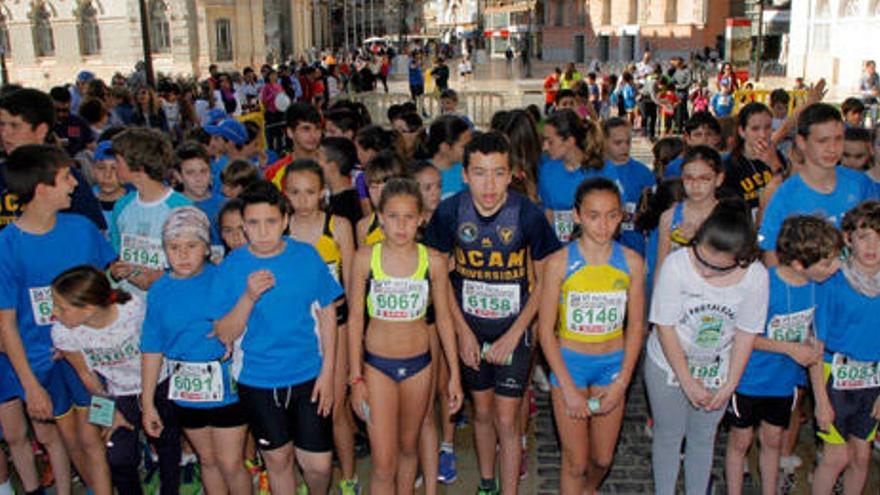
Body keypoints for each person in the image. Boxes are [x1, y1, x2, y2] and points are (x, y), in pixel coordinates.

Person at [423, 132, 561, 495]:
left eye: (498, 173)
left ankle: (509, 490)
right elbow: (439, 281)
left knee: (506, 417)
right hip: (470, 329)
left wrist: (516, 334)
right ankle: (487, 483)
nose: (489, 184)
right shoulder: (449, 212)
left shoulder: (528, 214)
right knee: (482, 412)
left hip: (514, 330)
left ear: (511, 173)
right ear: (465, 175)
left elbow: (547, 281)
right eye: (480, 173)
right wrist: (462, 333)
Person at [0, 145, 117, 495]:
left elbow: (103, 291)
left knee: (94, 433)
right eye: (66, 178)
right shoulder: (7, 245)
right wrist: (31, 386)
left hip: (89, 360)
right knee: (63, 438)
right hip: (39, 365)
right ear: (41, 189)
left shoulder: (82, 228)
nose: (74, 186)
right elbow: (5, 324)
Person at [211, 181, 341, 494]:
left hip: (309, 374)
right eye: (253, 223)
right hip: (257, 379)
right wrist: (248, 297)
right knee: (278, 460)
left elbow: (327, 314)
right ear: (243, 226)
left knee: (319, 465)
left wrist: (328, 373)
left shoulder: (306, 257)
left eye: (271, 222)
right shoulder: (231, 267)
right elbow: (224, 333)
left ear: (284, 221)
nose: (263, 231)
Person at [348, 178, 463, 494]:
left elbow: (443, 320)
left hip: (419, 367)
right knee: (384, 463)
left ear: (421, 218)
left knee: (409, 449)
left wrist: (454, 375)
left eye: (409, 217)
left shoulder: (434, 262)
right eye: (394, 216)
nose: (401, 225)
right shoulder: (364, 259)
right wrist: (355, 379)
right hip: (376, 367)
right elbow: (355, 320)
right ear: (380, 217)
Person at [646, 200, 768, 495]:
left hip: (719, 364)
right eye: (700, 260)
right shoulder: (677, 265)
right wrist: (687, 380)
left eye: (716, 267)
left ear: (740, 259)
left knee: (704, 438)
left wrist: (729, 385)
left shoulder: (756, 276)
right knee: (668, 436)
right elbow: (665, 326)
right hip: (668, 360)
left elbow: (745, 333)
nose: (704, 273)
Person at [537, 178, 646, 494]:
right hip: (570, 366)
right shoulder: (558, 264)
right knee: (576, 463)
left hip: (611, 366)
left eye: (612, 215)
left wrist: (622, 381)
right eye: (594, 215)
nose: (603, 224)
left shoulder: (632, 264)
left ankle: (589, 489)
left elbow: (636, 327)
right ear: (577, 216)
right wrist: (567, 388)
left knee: (602, 458)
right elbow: (545, 330)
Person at [724, 216, 842, 495]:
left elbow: (815, 345)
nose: (836, 267)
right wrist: (790, 348)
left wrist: (821, 402)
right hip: (747, 378)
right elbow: (742, 336)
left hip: (783, 382)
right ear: (800, 265)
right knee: (740, 442)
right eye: (827, 263)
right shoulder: (763, 286)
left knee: (774, 440)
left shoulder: (820, 289)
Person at [140, 207, 252, 494]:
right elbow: (152, 346)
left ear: (206, 247)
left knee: (230, 462)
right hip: (186, 391)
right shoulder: (159, 290)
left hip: (228, 387)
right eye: (173, 247)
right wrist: (148, 400)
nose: (182, 254)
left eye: (191, 246)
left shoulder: (223, 278)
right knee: (208, 460)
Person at [50, 265, 181, 494]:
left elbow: (154, 348)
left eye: (62, 308)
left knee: (167, 442)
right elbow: (86, 373)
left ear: (89, 308)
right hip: (116, 392)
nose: (54, 313)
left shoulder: (132, 308)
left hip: (157, 381)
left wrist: (147, 399)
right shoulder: (62, 332)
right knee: (118, 456)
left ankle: (170, 489)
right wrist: (110, 411)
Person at [282, 159, 359, 494]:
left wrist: (357, 326)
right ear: (284, 194)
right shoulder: (280, 229)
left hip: (337, 324)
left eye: (310, 192)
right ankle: (307, 476)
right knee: (300, 406)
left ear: (322, 193)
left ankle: (349, 478)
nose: (302, 200)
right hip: (297, 329)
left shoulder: (338, 226)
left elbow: (353, 284)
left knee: (336, 405)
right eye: (295, 192)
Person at [811, 200, 880, 495]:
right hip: (834, 375)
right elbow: (816, 343)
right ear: (849, 238)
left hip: (873, 380)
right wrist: (820, 400)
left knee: (862, 455)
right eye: (864, 236)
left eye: (879, 237)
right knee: (836, 456)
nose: (872, 247)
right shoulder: (833, 281)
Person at [759, 103, 877, 266]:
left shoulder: (860, 184)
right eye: (822, 141)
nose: (832, 148)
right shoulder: (784, 196)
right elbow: (772, 258)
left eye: (838, 139)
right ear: (801, 141)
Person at [0, 88, 106, 231]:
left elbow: (94, 231)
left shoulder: (67, 178)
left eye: (14, 126)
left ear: (41, 130)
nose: (5, 134)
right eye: (1, 125)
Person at [108, 128, 192, 299]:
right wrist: (115, 273)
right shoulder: (122, 206)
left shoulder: (180, 208)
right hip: (129, 304)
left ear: (138, 167)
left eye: (118, 160)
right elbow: (117, 253)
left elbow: (194, 266)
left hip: (166, 302)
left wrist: (160, 279)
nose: (114, 166)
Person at [539, 110, 609, 242]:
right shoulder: (547, 170)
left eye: (550, 142)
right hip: (559, 253)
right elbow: (548, 213)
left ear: (570, 141)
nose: (545, 147)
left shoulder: (602, 170)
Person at [655, 146, 724, 275]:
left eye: (704, 178)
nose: (696, 185)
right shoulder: (669, 218)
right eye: (689, 178)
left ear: (719, 179)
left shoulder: (729, 217)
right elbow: (662, 268)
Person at [603, 117, 656, 256]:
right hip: (602, 246)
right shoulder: (594, 172)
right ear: (603, 142)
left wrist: (643, 215)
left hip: (635, 246)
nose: (624, 147)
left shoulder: (644, 173)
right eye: (618, 143)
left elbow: (654, 211)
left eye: (628, 142)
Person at [720, 102, 781, 218]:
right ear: (742, 131)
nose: (763, 135)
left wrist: (775, 165)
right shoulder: (730, 167)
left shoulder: (777, 156)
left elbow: (791, 193)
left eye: (768, 127)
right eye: (755, 129)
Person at [426, 115, 472, 200]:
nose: (470, 150)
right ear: (445, 147)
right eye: (464, 147)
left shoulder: (467, 172)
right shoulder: (420, 173)